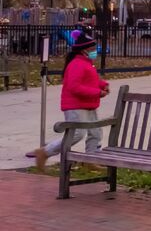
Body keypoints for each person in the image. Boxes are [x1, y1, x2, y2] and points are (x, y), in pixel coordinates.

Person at [32, 33, 110, 170]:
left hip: (88, 104)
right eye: (92, 49)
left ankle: (90, 160)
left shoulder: (86, 63)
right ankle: (45, 152)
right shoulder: (76, 64)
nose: (94, 51)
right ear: (83, 50)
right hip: (75, 106)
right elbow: (74, 86)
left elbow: (91, 80)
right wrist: (97, 92)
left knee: (96, 132)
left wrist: (102, 85)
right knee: (77, 134)